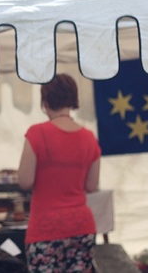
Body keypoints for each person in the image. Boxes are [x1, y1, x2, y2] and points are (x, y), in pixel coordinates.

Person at [17, 74, 101, 273]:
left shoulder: (37, 133)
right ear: (72, 100)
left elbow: (25, 181)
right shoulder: (89, 137)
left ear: (45, 102)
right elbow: (92, 185)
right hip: (81, 226)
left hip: (45, 228)